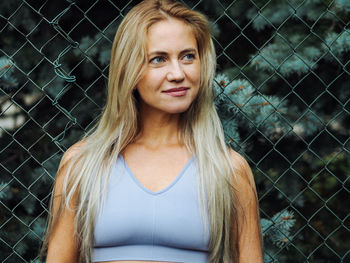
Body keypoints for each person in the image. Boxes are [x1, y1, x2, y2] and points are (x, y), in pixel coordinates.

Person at [41, 0, 263, 262]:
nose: (178, 73)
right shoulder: (82, 165)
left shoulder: (229, 170)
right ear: (129, 70)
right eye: (158, 59)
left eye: (188, 56)